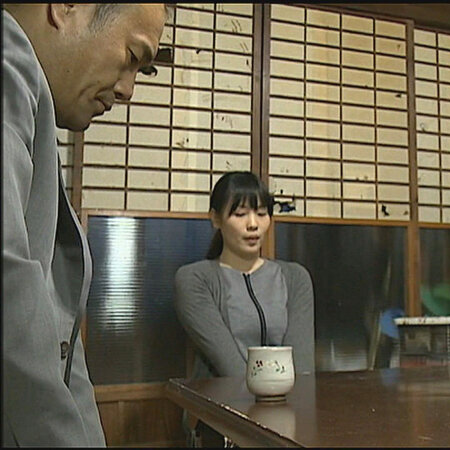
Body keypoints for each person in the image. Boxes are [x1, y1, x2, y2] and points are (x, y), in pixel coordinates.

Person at [2, 4, 168, 446]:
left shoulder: (31, 99)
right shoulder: (7, 57)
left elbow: (58, 342)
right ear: (66, 7)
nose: (128, 90)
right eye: (132, 57)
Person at [174, 171, 315, 445]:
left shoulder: (295, 278)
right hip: (219, 423)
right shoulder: (194, 279)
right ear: (215, 219)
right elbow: (230, 367)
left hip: (288, 422)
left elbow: (303, 369)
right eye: (240, 214)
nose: (253, 225)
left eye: (262, 214)